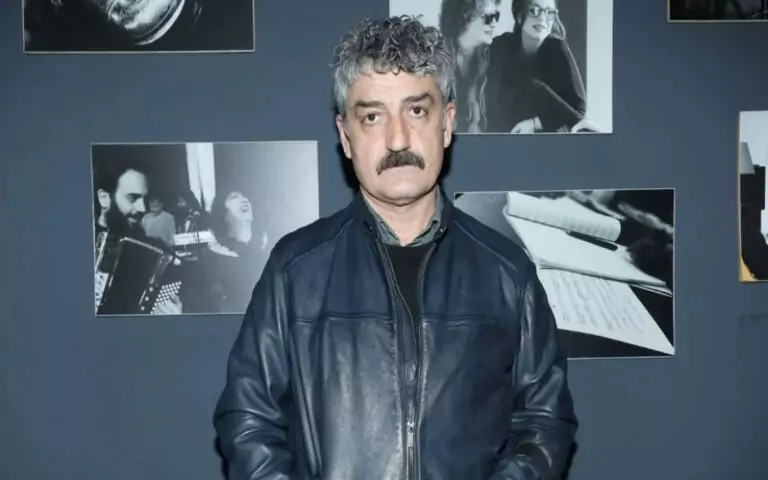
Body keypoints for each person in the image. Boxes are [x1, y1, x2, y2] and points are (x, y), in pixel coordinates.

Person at [213, 15, 577, 480]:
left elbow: (545, 422)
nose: (398, 139)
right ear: (346, 137)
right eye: (372, 117)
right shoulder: (294, 269)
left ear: (447, 124)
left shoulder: (508, 273)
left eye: (416, 111)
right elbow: (248, 420)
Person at [485, 0, 594, 133]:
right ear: (520, 16)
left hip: (546, 135)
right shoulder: (502, 45)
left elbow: (579, 108)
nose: (542, 18)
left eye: (550, 12)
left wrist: (536, 123)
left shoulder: (558, 49)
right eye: (534, 11)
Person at [92, 160, 182, 315]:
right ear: (104, 198)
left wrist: (170, 316)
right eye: (132, 198)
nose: (143, 208)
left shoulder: (155, 252)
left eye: (144, 199)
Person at [438, 0, 502, 133]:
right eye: (488, 18)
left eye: (496, 16)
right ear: (463, 19)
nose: (494, 23)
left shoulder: (495, 56)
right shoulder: (435, 59)